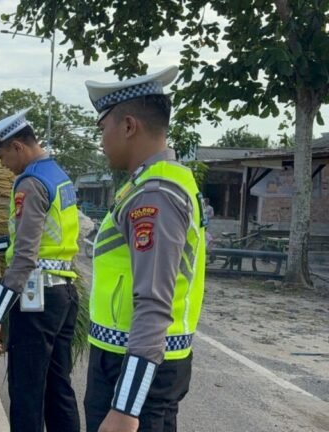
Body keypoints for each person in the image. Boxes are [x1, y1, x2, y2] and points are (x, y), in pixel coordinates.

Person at [82, 66, 207, 432]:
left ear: (128, 126)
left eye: (103, 128)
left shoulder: (155, 194)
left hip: (135, 364)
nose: (101, 141)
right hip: (134, 356)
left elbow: (154, 302)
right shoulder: (152, 183)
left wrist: (126, 406)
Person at [0, 108, 81, 432]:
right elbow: (33, 236)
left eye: (2, 156)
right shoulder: (57, 176)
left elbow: (24, 257)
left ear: (18, 146)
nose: (2, 164)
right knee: (58, 387)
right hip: (64, 292)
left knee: (27, 391)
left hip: (37, 297)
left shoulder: (31, 183)